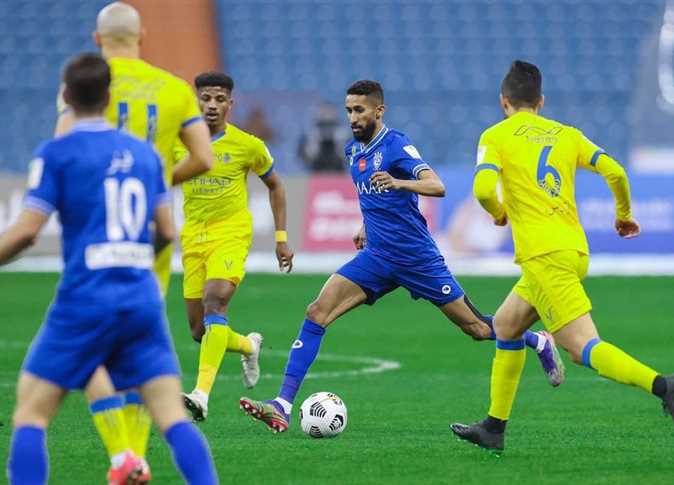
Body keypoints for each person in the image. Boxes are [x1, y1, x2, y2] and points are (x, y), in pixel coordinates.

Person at [239, 80, 564, 433]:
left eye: (359, 110)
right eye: (349, 110)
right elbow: (373, 197)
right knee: (317, 312)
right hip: (377, 257)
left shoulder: (396, 145)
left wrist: (400, 183)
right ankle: (282, 405)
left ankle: (537, 339)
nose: (353, 117)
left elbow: (436, 185)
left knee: (477, 329)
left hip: (417, 259)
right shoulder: (352, 153)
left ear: (379, 111)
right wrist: (365, 224)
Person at [3, 53, 218, 485]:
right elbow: (165, 230)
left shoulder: (56, 153)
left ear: (65, 96)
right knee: (173, 418)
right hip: (140, 298)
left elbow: (27, 232)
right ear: (107, 97)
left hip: (85, 298)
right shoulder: (145, 156)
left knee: (31, 413)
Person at [450, 60, 674, 453]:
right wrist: (623, 216)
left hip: (543, 255)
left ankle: (664, 386)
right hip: (571, 249)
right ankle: (494, 427)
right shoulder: (567, 135)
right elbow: (617, 172)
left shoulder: (496, 135)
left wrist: (499, 213)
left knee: (582, 346)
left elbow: (485, 189)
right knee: (506, 326)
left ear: (505, 101)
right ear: (540, 101)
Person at [54, 2, 213, 482]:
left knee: (89, 347)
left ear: (97, 38)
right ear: (142, 35)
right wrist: (159, 178)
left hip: (94, 232)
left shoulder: (82, 87)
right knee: (140, 345)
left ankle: (121, 454)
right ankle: (137, 455)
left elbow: (62, 148)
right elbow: (203, 158)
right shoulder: (171, 89)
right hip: (148, 232)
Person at [176, 71, 294, 421]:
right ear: (196, 100)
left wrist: (281, 239)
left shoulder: (248, 145)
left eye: (219, 99)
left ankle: (200, 395)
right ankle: (247, 345)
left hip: (230, 234)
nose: (212, 105)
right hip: (193, 237)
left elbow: (277, 186)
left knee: (216, 302)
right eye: (206, 98)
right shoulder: (177, 141)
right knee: (200, 331)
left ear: (231, 103)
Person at [298, 102, 350, 172]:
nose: (327, 114)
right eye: (324, 111)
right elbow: (304, 156)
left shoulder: (343, 132)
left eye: (329, 111)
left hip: (338, 173)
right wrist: (313, 143)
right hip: (316, 172)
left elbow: (350, 157)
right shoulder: (311, 131)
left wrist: (340, 144)